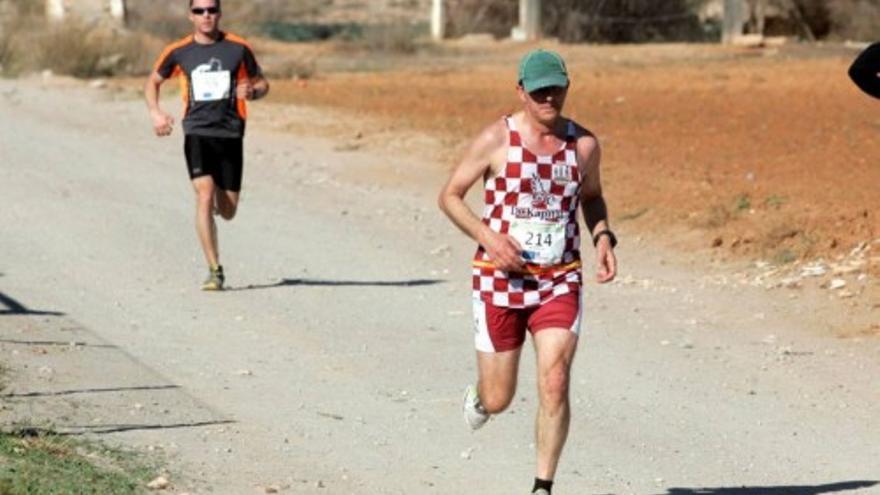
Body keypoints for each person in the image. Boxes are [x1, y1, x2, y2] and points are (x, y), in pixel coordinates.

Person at [438, 49, 617, 495]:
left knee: (555, 379)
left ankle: (542, 486)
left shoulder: (584, 146)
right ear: (521, 92)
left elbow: (592, 197)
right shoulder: (496, 140)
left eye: (555, 88)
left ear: (566, 87)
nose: (548, 97)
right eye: (538, 91)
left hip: (559, 277)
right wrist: (490, 238)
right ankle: (481, 395)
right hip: (500, 278)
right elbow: (451, 196)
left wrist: (602, 236)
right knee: (499, 398)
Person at [144, 0, 269, 290]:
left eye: (211, 9)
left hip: (230, 134)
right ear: (191, 15)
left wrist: (252, 91)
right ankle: (214, 269)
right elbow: (153, 81)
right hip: (197, 132)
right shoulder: (178, 51)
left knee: (228, 211)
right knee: (203, 194)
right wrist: (155, 112)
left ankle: (217, 203)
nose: (206, 15)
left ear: (219, 13)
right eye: (199, 10)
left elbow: (262, 83)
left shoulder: (238, 48)